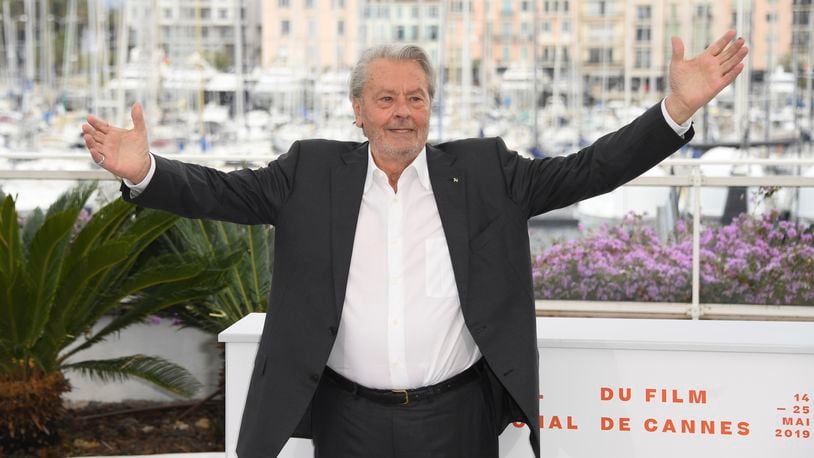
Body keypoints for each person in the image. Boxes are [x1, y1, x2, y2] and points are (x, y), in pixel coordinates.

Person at [83, 31, 748, 458]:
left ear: (431, 106)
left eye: (416, 98)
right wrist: (146, 171)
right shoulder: (310, 173)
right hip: (347, 419)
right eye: (386, 98)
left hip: (456, 419)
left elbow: (588, 169)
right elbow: (219, 193)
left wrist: (676, 112)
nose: (402, 111)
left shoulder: (486, 172)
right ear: (359, 109)